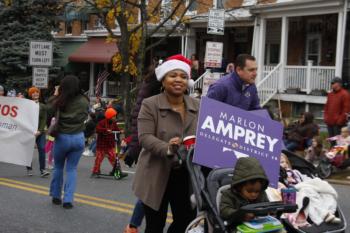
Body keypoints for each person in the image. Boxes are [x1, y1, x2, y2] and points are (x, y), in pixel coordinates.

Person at [132, 54, 198, 233]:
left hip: (186, 174)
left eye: (183, 76)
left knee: (186, 222)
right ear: (163, 79)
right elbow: (144, 137)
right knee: (154, 225)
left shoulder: (198, 105)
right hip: (155, 172)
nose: (178, 80)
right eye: (173, 75)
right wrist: (167, 147)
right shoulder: (150, 104)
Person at [123, 63, 162, 233]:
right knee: (149, 191)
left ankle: (133, 225)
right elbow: (139, 124)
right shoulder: (151, 98)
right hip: (153, 149)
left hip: (167, 150)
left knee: (150, 192)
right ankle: (133, 225)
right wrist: (134, 148)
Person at [49, 75, 89, 209]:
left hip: (62, 137)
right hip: (78, 138)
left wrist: (55, 94)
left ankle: (56, 196)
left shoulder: (60, 100)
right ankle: (68, 199)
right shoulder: (84, 100)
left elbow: (49, 110)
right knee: (72, 169)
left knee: (58, 167)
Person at [219, 157, 269, 232]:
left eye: (257, 191)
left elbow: (267, 206)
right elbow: (224, 211)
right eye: (249, 191)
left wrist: (270, 210)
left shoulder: (262, 194)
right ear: (239, 187)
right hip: (237, 227)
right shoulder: (229, 195)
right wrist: (241, 214)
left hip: (261, 226)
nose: (253, 194)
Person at [91, 108, 126, 178]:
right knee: (98, 159)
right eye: (113, 116)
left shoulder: (114, 123)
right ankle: (95, 171)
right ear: (109, 116)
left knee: (114, 158)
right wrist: (106, 130)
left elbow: (117, 130)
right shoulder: (102, 123)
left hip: (110, 145)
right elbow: (98, 129)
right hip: (102, 146)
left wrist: (120, 131)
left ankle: (117, 171)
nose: (115, 118)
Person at [26, 87, 50, 177]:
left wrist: (40, 130)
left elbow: (44, 119)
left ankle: (43, 170)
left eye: (37, 92)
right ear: (30, 94)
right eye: (33, 92)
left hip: (40, 132)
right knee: (28, 150)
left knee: (42, 149)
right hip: (29, 132)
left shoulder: (43, 106)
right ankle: (29, 168)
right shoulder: (27, 105)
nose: (36, 94)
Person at [324, 77, 350, 146]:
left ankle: (339, 156)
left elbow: (346, 109)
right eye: (331, 83)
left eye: (333, 83)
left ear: (339, 84)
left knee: (339, 142)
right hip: (329, 122)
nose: (331, 84)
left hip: (338, 124)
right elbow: (326, 107)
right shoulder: (330, 94)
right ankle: (331, 155)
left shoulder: (345, 94)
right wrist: (326, 118)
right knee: (332, 141)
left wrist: (339, 121)